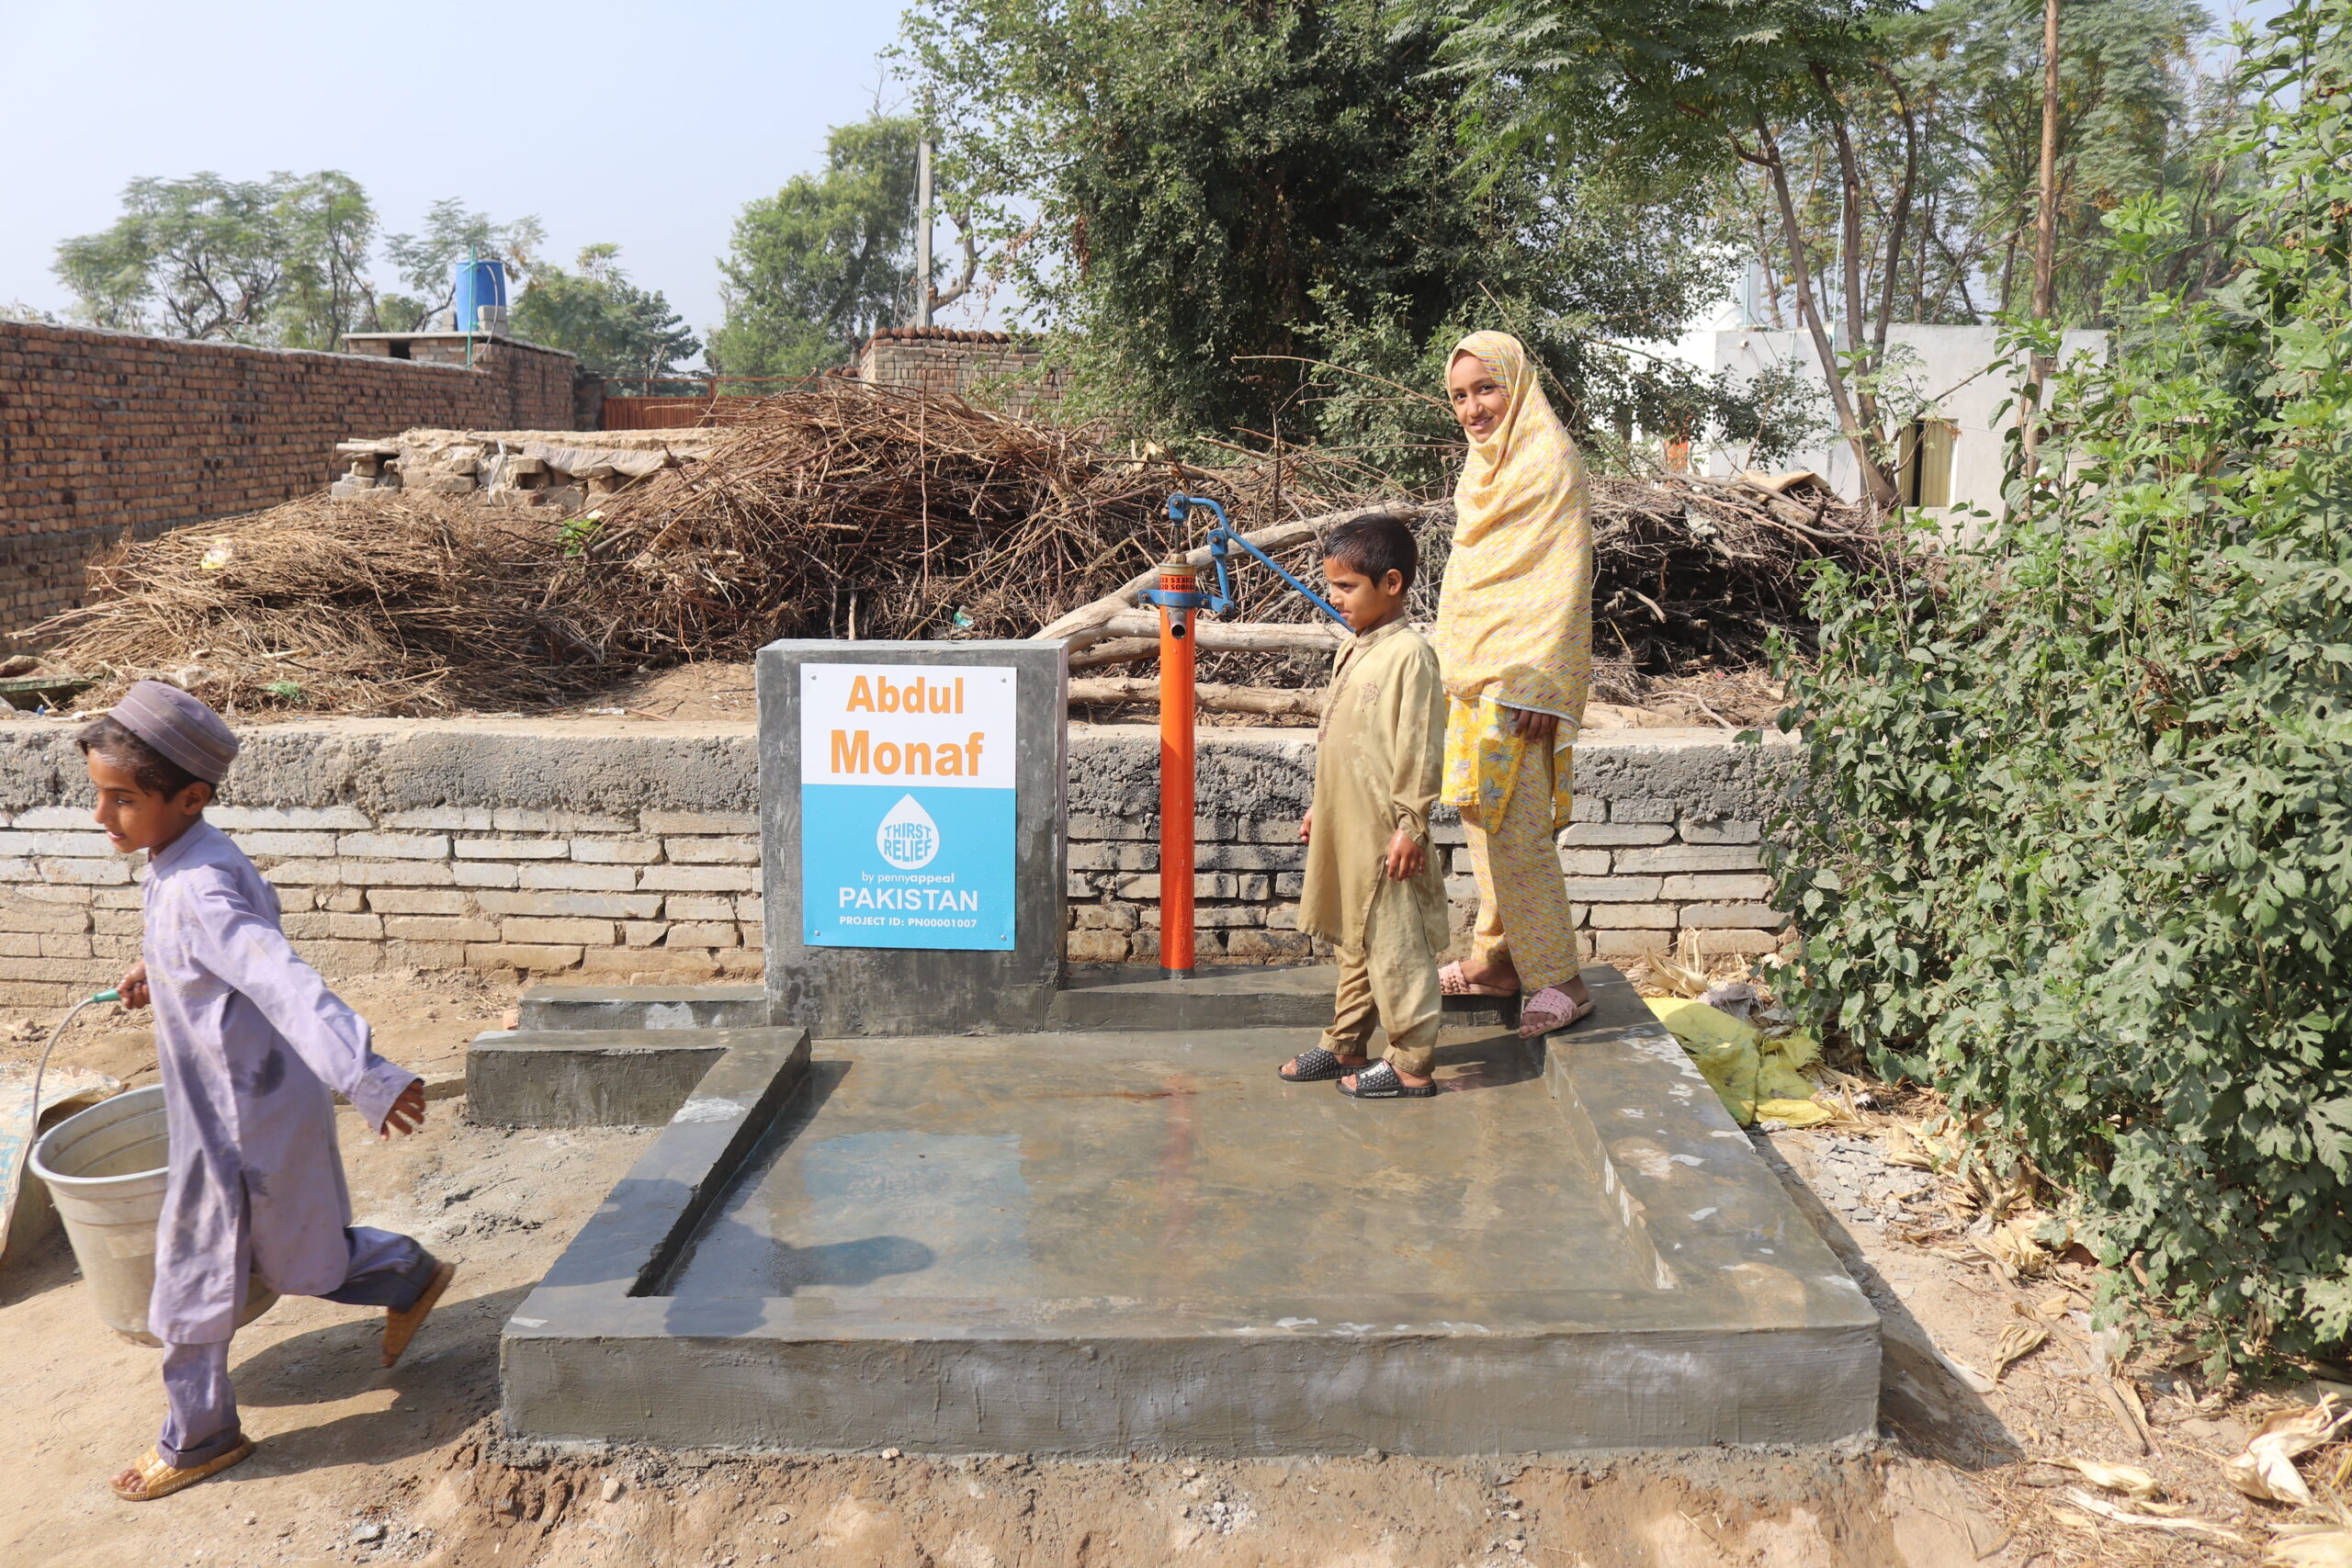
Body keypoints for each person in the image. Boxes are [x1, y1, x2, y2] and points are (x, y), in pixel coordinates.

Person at [78, 682, 455, 1503]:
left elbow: (283, 980)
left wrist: (367, 1072)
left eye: (122, 799)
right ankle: (406, 1272)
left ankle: (199, 1436)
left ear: (189, 797)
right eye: (99, 795)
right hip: (250, 1107)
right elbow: (217, 957)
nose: (101, 815)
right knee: (291, 1256)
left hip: (241, 1122)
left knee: (202, 1274)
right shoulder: (188, 857)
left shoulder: (198, 888)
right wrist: (159, 966)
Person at [1430, 330, 1598, 1040]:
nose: (1474, 409)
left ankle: (1561, 979)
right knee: (1481, 823)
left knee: (1518, 833)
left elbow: (1563, 581)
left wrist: (1542, 686)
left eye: (1486, 388)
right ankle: (1500, 960)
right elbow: (1478, 577)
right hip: (1473, 673)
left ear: (1517, 383)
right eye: (1460, 396)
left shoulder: (1549, 461)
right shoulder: (1482, 468)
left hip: (1523, 682)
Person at [1280, 513, 1451, 1100]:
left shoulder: (1411, 655)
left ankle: (1411, 1062)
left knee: (1395, 945)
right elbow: (1342, 741)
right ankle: (1346, 1043)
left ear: (1392, 583)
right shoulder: (1355, 648)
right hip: (1345, 821)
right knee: (1353, 940)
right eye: (1332, 585)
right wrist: (1320, 807)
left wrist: (1411, 826)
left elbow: (1420, 748)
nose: (1335, 597)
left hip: (1386, 830)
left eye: (1347, 586)